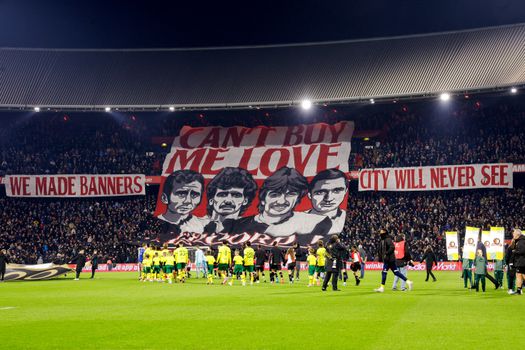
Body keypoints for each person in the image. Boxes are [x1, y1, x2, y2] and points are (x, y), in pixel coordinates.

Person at [231, 167, 331, 242]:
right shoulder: (239, 225)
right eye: (275, 195)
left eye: (290, 194)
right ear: (263, 199)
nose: (282, 201)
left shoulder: (315, 223)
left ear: (298, 198)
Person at [203, 167, 258, 234]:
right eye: (222, 195)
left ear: (245, 201)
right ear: (211, 200)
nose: (228, 201)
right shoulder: (198, 224)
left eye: (236, 195)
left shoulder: (251, 228)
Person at [158, 170, 207, 238]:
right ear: (165, 198)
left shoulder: (200, 225)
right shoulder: (156, 224)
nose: (188, 201)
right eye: (181, 194)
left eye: (194, 195)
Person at [307, 168, 349, 234]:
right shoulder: (296, 220)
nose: (329, 198)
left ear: (345, 192)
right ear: (309, 195)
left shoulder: (345, 219)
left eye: (336, 191)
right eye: (320, 192)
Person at [509, 228, 525, 295]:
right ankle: (519, 290)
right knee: (519, 275)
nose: (513, 234)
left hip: (522, 261)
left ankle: (519, 290)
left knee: (522, 275)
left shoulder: (521, 241)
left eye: (514, 233)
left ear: (518, 234)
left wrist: (515, 251)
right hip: (520, 261)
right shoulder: (519, 240)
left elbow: (523, 251)